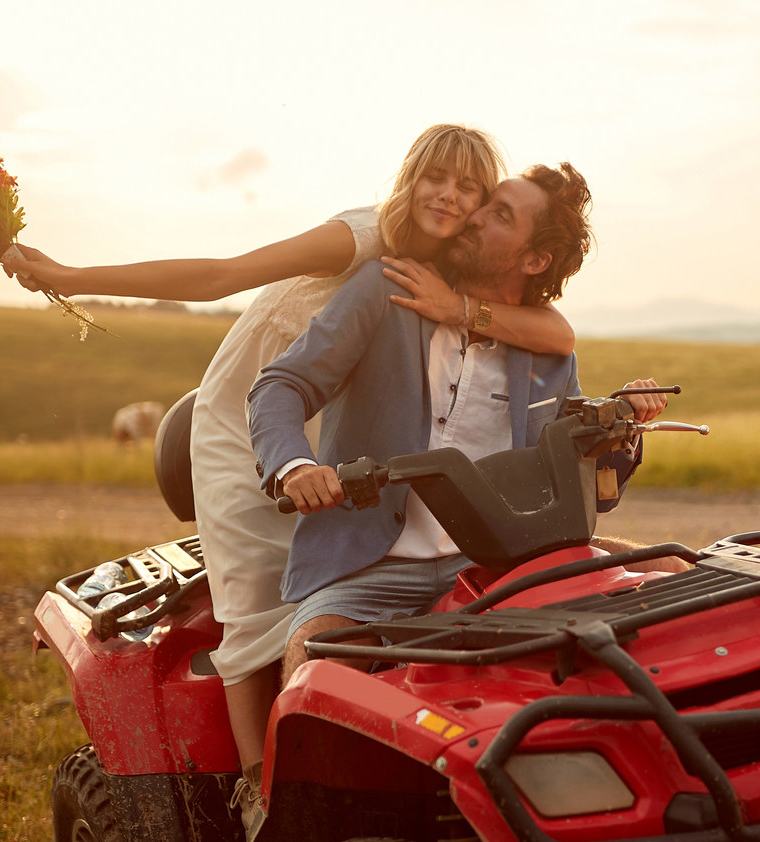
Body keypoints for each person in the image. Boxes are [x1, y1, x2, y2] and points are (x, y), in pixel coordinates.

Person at [1, 125, 578, 781]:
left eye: (471, 189)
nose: (450, 197)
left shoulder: (449, 271)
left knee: (339, 546)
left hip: (330, 411)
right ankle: (259, 786)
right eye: (436, 178)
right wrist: (68, 275)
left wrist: (457, 309)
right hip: (245, 407)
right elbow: (222, 276)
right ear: (409, 175)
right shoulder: (363, 240)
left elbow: (555, 333)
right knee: (257, 608)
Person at [251, 162, 670, 691]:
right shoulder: (387, 289)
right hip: (370, 566)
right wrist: (295, 466)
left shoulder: (550, 354)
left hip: (500, 559)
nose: (471, 216)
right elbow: (281, 385)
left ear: (535, 258)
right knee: (313, 674)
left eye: (498, 214)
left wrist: (622, 424)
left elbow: (589, 489)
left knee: (670, 581)